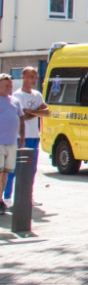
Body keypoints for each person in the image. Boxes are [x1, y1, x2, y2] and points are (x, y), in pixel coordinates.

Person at [4, 67, 49, 205]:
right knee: (14, 168)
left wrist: (30, 111)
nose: (34, 80)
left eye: (35, 77)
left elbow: (46, 112)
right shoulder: (18, 95)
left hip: (34, 136)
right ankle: (8, 197)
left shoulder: (37, 95)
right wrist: (36, 112)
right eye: (31, 77)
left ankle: (28, 196)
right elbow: (22, 116)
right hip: (20, 136)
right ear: (23, 77)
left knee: (32, 169)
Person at [0, 74, 25, 215]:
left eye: (10, 85)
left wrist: (22, 138)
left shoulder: (15, 101)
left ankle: (0, 199)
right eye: (6, 85)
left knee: (5, 174)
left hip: (12, 143)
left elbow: (21, 120)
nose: (9, 88)